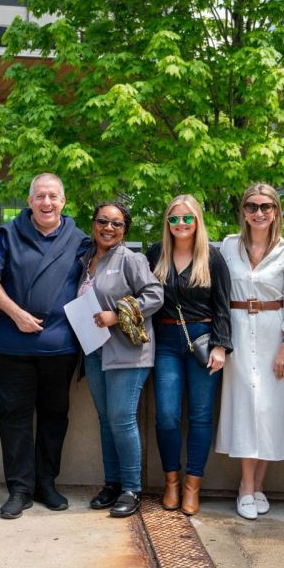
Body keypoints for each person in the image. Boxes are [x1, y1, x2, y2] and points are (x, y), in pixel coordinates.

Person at [0, 173, 90, 519]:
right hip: (12, 346)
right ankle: (20, 489)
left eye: (53, 197)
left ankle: (46, 483)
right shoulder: (7, 235)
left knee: (55, 417)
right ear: (29, 201)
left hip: (60, 348)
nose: (46, 203)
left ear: (63, 201)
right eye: (40, 196)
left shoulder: (81, 240)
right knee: (14, 418)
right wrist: (16, 315)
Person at [215, 183, 284, 521]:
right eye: (252, 206)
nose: (259, 213)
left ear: (276, 212)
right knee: (246, 409)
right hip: (237, 332)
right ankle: (246, 487)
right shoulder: (227, 247)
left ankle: (258, 486)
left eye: (266, 207)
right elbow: (218, 293)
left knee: (270, 410)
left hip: (273, 333)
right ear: (243, 211)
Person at [146, 195, 231, 516]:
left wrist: (221, 346)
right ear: (166, 223)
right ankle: (171, 481)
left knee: (201, 415)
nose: (180, 225)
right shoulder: (155, 253)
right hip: (166, 341)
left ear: (197, 221)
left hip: (204, 340)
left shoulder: (213, 257)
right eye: (174, 219)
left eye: (187, 219)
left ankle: (193, 485)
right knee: (166, 415)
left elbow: (223, 305)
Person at [79, 202, 163, 517]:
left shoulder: (131, 259)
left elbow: (155, 295)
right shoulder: (85, 258)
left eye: (117, 224)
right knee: (106, 420)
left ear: (124, 229)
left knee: (122, 418)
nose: (109, 228)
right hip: (95, 348)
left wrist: (117, 315)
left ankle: (131, 488)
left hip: (128, 351)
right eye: (103, 221)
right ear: (94, 223)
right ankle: (111, 484)